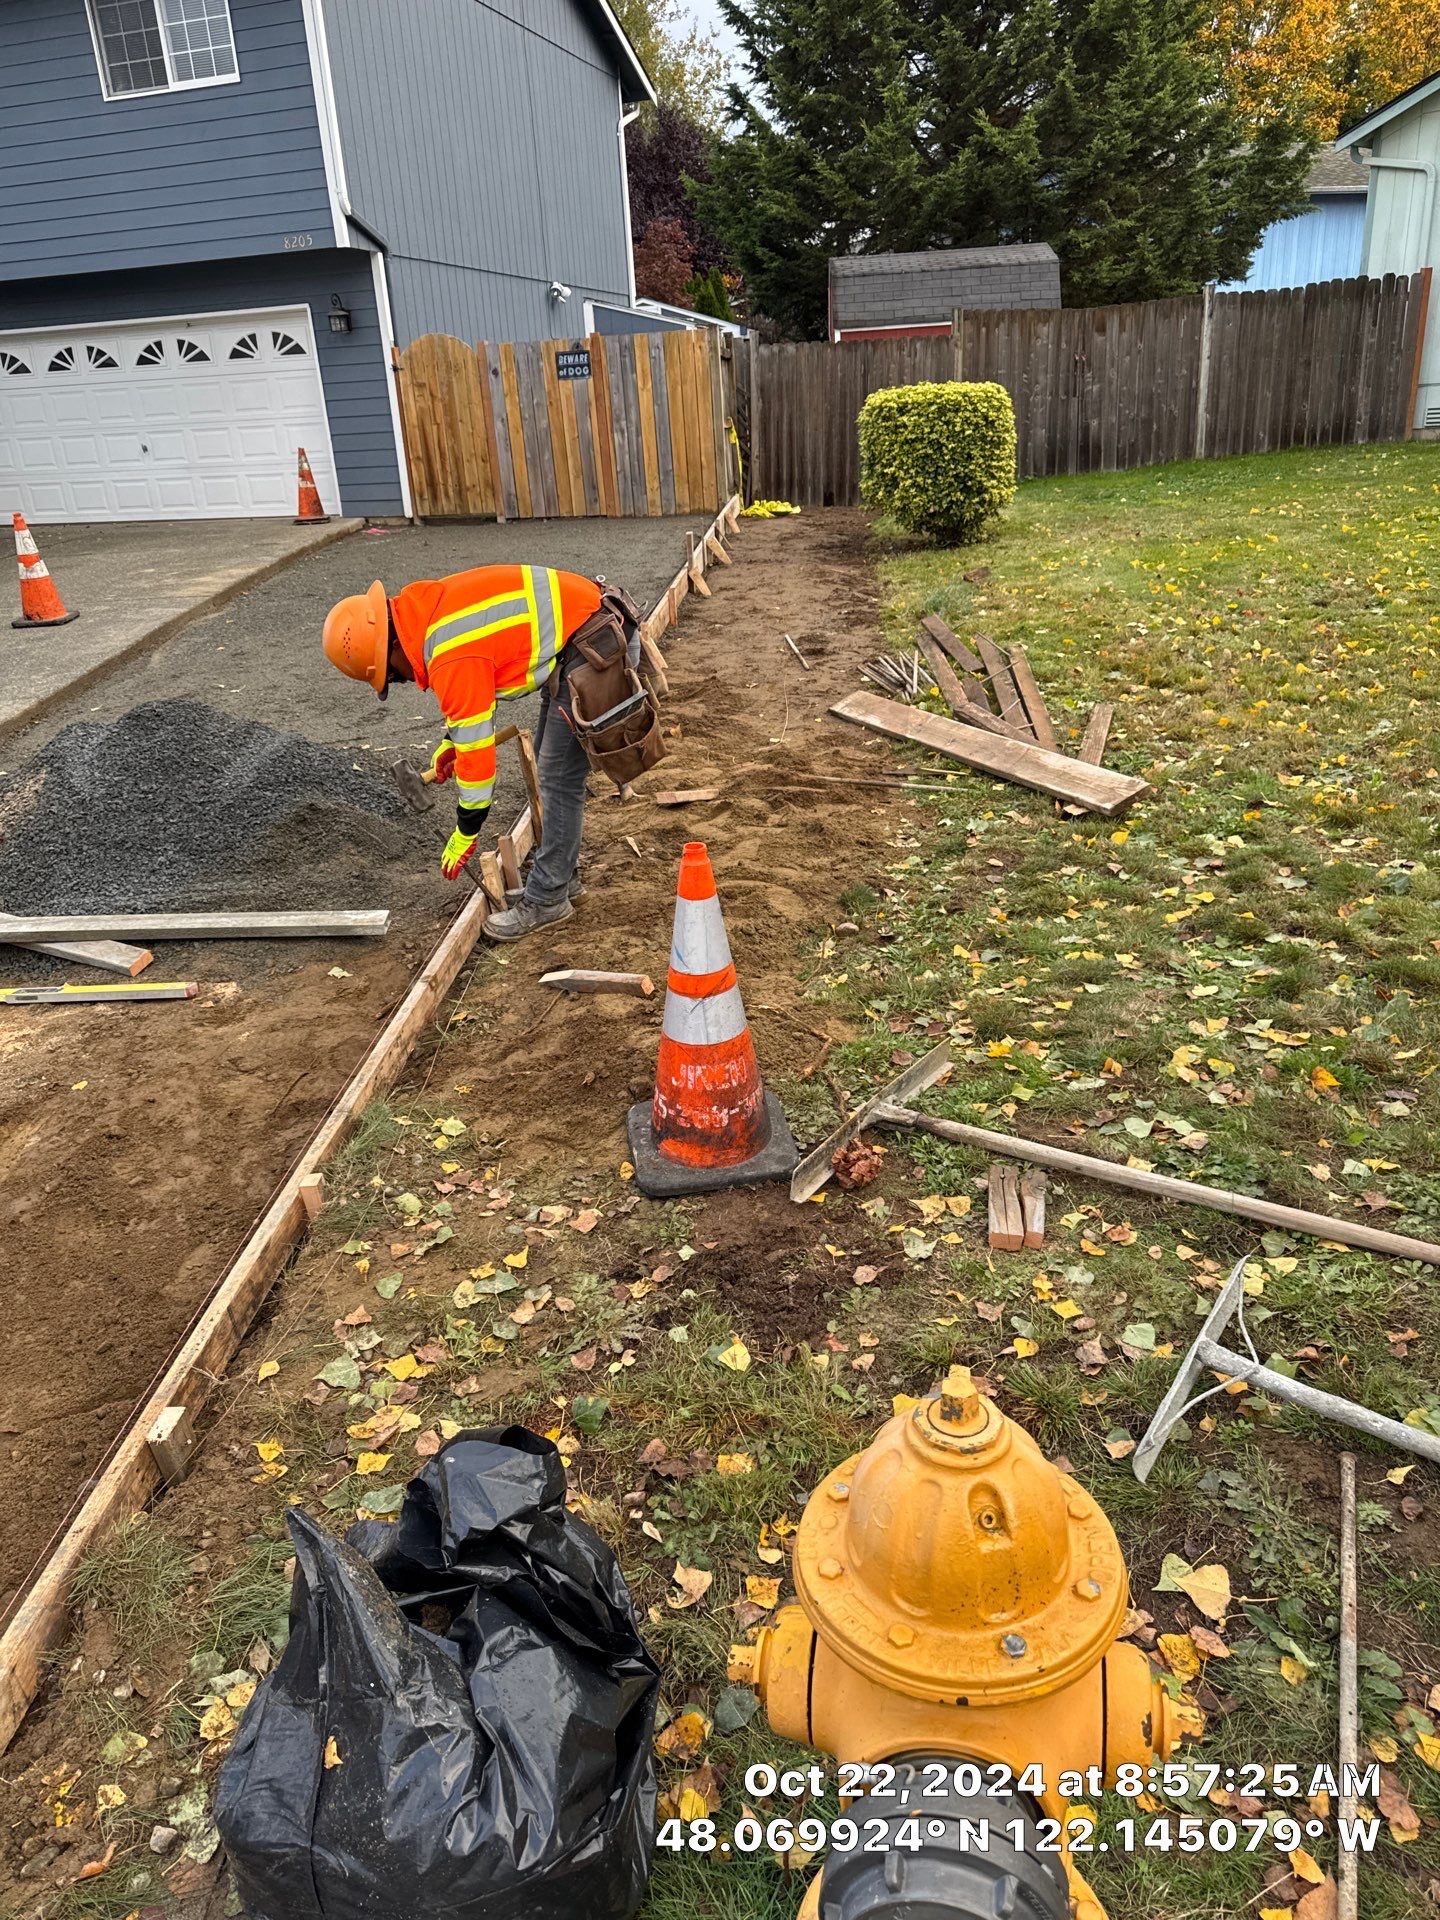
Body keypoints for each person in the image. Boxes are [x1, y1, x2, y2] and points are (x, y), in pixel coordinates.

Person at [322, 564, 631, 942]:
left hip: (592, 642)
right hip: (579, 634)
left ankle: (549, 897)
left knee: (558, 777)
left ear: (391, 647)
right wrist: (452, 745)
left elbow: (480, 763)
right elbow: (474, 705)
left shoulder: (447, 651)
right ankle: (560, 878)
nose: (402, 681)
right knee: (556, 774)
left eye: (392, 675)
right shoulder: (425, 614)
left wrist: (466, 829)